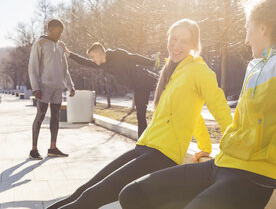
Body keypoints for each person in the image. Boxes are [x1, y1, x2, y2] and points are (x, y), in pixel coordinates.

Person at [119, 0, 276, 209]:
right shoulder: (255, 66)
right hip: (220, 165)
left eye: (248, 29)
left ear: (263, 28)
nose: (245, 39)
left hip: (252, 178)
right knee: (133, 193)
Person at [46, 18, 233, 209]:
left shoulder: (199, 70)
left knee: (91, 198)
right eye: (173, 39)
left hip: (162, 155)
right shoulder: (172, 72)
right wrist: (205, 145)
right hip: (144, 146)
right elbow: (192, 113)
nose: (176, 46)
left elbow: (220, 108)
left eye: (184, 41)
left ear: (194, 44)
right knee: (84, 191)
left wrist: (232, 146)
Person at [59, 40, 158, 138]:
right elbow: (85, 62)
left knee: (166, 92)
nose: (92, 60)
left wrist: (151, 62)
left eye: (93, 56)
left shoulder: (117, 54)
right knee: (140, 116)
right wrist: (68, 52)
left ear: (99, 53)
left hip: (146, 78)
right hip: (138, 87)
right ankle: (142, 143)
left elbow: (134, 57)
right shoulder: (102, 65)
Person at [28, 19, 75, 160]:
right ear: (50, 29)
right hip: (44, 87)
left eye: (61, 32)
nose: (60, 35)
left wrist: (70, 86)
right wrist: (36, 88)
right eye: (58, 32)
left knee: (55, 117)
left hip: (57, 88)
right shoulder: (39, 44)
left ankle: (53, 148)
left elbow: (64, 69)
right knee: (41, 115)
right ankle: (34, 150)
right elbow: (33, 67)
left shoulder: (60, 46)